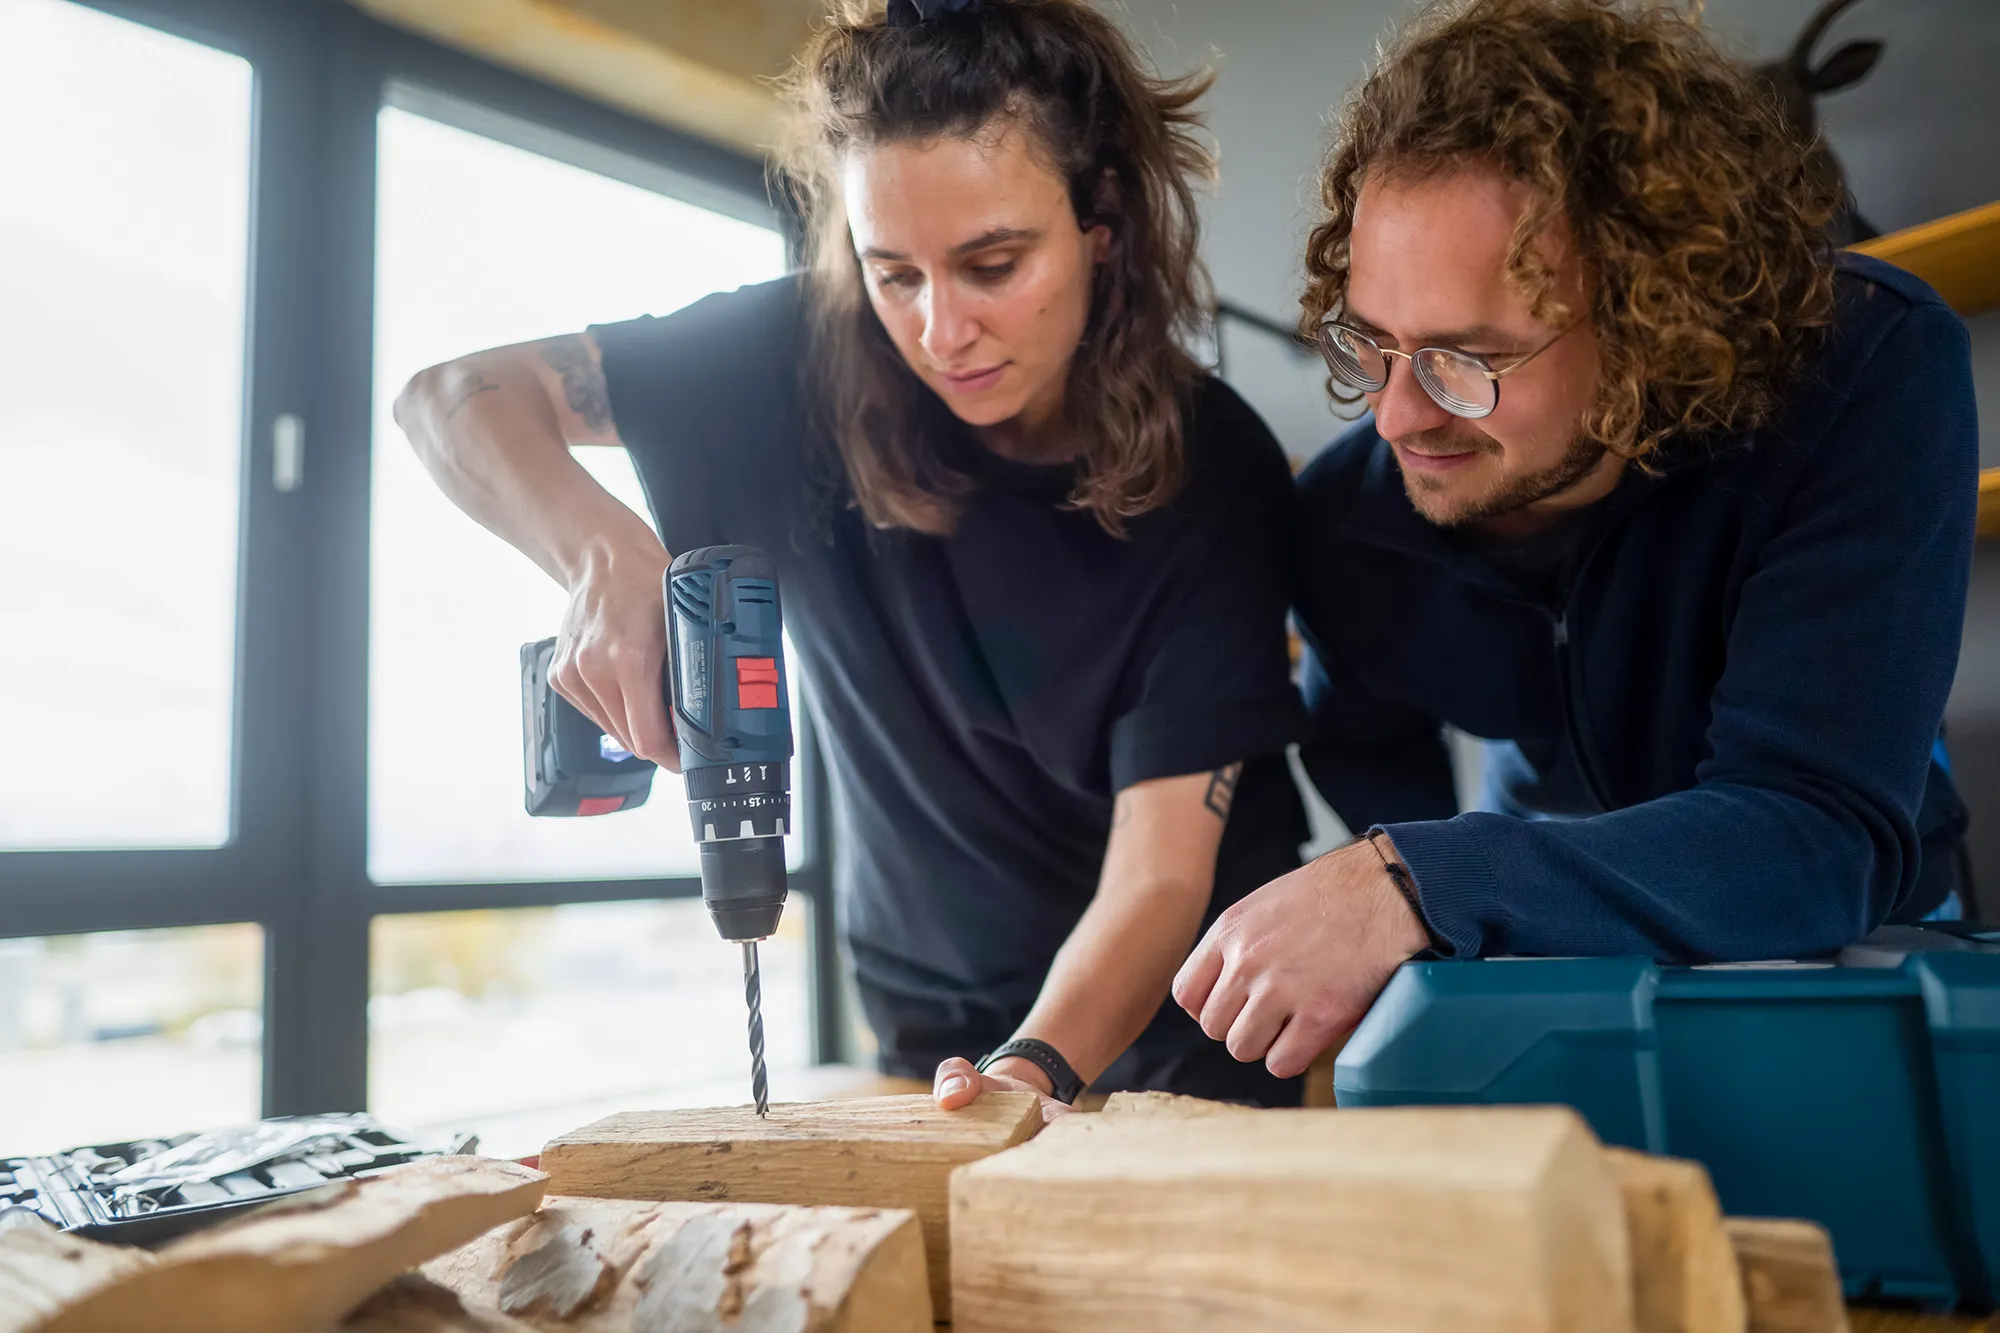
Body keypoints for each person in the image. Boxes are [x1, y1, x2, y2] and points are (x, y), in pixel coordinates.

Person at [395, 0, 1309, 1113]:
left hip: (1195, 1035)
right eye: (895, 272)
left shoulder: (1212, 465)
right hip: (926, 1031)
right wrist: (600, 554)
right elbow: (448, 398)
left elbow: (1163, 872)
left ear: (1099, 220)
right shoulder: (792, 359)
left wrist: (1035, 1070)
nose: (937, 328)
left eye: (991, 262)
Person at [1174, 0, 1979, 1082]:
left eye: (1465, 358)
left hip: (1858, 940)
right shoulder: (1346, 519)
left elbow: (1817, 832)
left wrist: (1420, 879)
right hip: (1550, 920)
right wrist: (1416, 889)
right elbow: (1362, 742)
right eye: (1370, 343)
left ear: (1650, 316)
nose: (1398, 418)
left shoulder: (1866, 371)